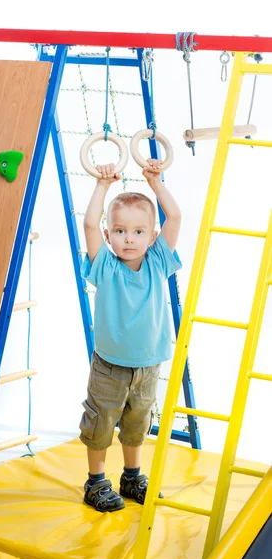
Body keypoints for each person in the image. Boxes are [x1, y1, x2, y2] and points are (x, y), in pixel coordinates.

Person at [79, 158, 182, 512]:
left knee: (138, 424)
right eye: (120, 231)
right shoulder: (105, 266)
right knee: (100, 424)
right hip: (110, 365)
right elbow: (90, 223)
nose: (129, 238)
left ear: (152, 236)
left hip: (148, 365)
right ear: (109, 236)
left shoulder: (158, 262)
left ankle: (132, 476)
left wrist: (155, 182)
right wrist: (102, 185)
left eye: (139, 231)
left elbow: (175, 217)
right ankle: (95, 482)